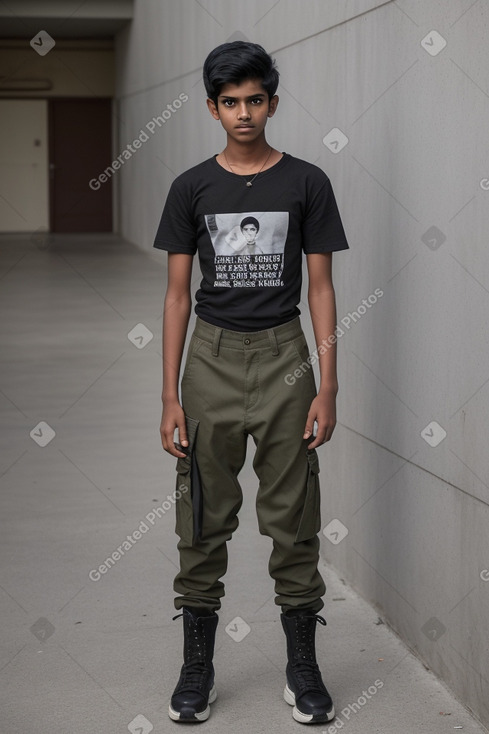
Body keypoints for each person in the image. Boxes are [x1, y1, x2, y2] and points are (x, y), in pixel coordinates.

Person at [153, 40, 350, 725]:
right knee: (202, 513)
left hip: (285, 358)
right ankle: (197, 667)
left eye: (254, 99)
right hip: (208, 359)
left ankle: (302, 667)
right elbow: (178, 296)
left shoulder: (306, 182)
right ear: (212, 108)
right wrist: (170, 394)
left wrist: (326, 384)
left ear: (271, 100)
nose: (243, 112)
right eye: (230, 102)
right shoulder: (190, 188)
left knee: (292, 515)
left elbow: (321, 288)